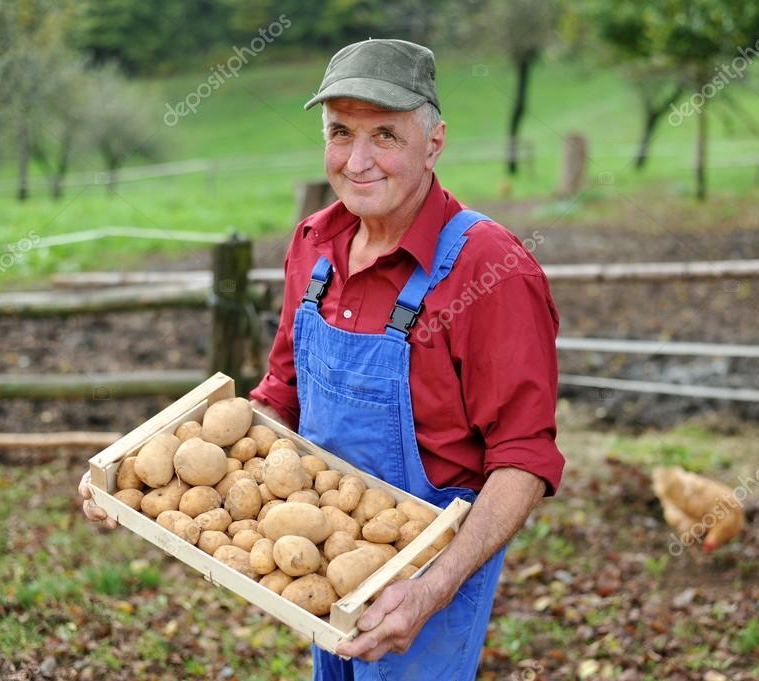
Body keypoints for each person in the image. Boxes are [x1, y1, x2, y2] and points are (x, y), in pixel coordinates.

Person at [81, 38, 564, 681]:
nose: (357, 161)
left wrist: (432, 588)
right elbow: (281, 391)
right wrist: (141, 481)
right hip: (318, 554)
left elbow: (523, 458)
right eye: (340, 132)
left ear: (435, 142)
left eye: (385, 135)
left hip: (426, 570)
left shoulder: (489, 270)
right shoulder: (315, 245)